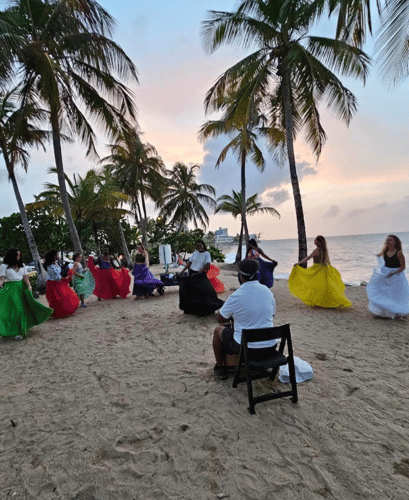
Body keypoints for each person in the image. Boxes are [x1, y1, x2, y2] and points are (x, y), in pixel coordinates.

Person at [213, 259, 277, 380]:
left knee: (218, 330)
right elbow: (271, 315)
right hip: (269, 347)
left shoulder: (236, 295)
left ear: (241, 276)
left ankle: (221, 367)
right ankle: (260, 365)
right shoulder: (267, 292)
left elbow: (220, 318)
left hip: (247, 350)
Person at [0, 248, 53, 340]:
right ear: (12, 255)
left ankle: (20, 331)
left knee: (24, 308)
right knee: (15, 310)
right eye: (17, 255)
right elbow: (2, 279)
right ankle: (15, 331)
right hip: (11, 289)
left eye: (19, 255)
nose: (19, 256)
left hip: (22, 288)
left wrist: (29, 287)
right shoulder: (4, 266)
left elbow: (25, 277)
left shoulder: (22, 265)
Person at [288, 235, 352, 308]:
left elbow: (308, 258)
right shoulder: (325, 250)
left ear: (318, 242)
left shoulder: (317, 250)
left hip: (318, 270)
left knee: (316, 285)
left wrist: (299, 263)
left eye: (315, 240)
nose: (314, 241)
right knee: (327, 287)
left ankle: (319, 302)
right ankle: (330, 302)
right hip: (326, 269)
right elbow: (328, 261)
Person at [366, 235, 409, 320]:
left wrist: (393, 273)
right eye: (387, 240)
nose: (388, 241)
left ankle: (398, 313)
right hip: (386, 274)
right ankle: (383, 312)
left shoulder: (399, 253)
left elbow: (403, 267)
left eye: (390, 240)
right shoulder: (385, 251)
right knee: (383, 292)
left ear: (395, 242)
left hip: (397, 275)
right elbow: (380, 257)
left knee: (395, 295)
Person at [178, 240, 224, 316]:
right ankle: (190, 310)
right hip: (192, 274)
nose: (198, 247)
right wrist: (182, 272)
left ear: (203, 245)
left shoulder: (207, 254)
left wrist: (199, 273)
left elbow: (207, 265)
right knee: (191, 293)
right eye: (197, 246)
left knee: (207, 292)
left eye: (200, 245)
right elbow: (189, 264)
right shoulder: (194, 253)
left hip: (201, 275)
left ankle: (208, 309)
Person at [44, 249, 80, 318]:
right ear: (54, 256)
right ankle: (60, 313)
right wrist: (64, 278)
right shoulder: (50, 266)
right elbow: (56, 276)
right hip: (53, 284)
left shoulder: (56, 263)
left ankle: (66, 311)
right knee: (59, 298)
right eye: (57, 255)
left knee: (67, 296)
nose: (58, 256)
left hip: (58, 282)